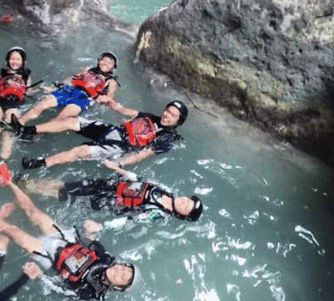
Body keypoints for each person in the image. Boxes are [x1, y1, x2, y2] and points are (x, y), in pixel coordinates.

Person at [0, 163, 136, 300]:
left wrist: (39, 275)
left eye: (122, 277)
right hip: (66, 240)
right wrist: (91, 231)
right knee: (33, 212)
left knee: (12, 231)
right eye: (123, 268)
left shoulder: (89, 291)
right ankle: (8, 181)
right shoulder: (107, 259)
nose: (118, 271)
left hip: (48, 257)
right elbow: (92, 242)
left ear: (119, 288)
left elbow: (59, 289)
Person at [17, 161, 204, 227]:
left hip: (110, 201)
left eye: (187, 207)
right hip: (112, 185)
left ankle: (26, 187)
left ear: (181, 215)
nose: (185, 201)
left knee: (69, 195)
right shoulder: (166, 189)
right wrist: (118, 169)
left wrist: (102, 226)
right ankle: (29, 184)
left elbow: (129, 221)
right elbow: (140, 179)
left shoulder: (158, 214)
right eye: (189, 199)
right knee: (69, 185)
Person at [18, 99, 188, 170]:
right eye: (168, 110)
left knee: (81, 151)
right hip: (114, 130)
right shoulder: (151, 117)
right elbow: (123, 110)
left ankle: (40, 163)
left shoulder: (166, 138)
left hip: (121, 147)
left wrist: (119, 164)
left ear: (178, 122)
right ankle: (28, 130)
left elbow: (141, 155)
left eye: (173, 115)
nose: (167, 115)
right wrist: (109, 101)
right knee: (71, 121)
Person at [15, 52, 119, 126]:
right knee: (43, 103)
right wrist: (54, 87)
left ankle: (36, 133)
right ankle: (20, 122)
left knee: (61, 117)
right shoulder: (87, 69)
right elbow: (72, 78)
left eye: (109, 62)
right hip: (69, 90)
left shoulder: (111, 81)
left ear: (112, 68)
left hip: (84, 98)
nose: (105, 63)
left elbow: (109, 97)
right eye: (103, 60)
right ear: (99, 61)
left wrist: (103, 99)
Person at [0, 47, 32, 159]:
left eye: (18, 59)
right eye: (12, 59)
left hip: (15, 103)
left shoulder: (26, 76)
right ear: (7, 60)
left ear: (23, 61)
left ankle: (4, 158)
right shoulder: (2, 73)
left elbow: (29, 91)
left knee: (8, 130)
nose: (15, 61)